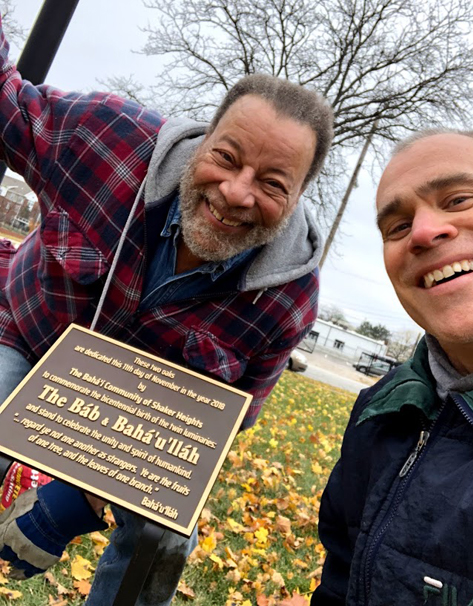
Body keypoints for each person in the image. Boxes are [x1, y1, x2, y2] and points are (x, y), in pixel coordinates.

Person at [0, 16, 334, 606]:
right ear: (203, 139)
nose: (237, 191)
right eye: (227, 157)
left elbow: (226, 423)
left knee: (167, 534)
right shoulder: (106, 137)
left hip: (133, 419)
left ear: (301, 194)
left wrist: (80, 499)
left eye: (273, 183)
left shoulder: (290, 300)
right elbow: (9, 105)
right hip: (27, 336)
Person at [312, 128, 473, 606]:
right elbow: (340, 581)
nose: (421, 232)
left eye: (458, 198)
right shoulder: (381, 409)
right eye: (397, 227)